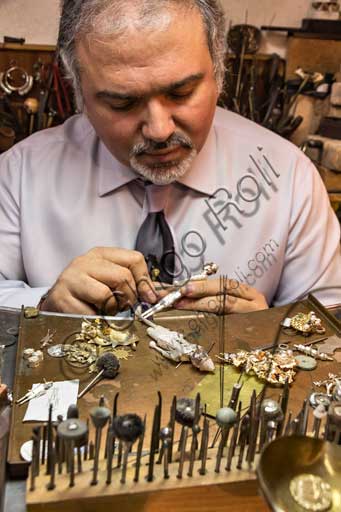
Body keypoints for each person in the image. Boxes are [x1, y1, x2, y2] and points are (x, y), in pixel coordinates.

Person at [0, 0, 340, 316]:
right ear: (78, 91)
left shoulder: (287, 175)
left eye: (181, 93)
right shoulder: (19, 174)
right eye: (123, 103)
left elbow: (329, 331)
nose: (160, 131)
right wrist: (42, 307)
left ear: (219, 72)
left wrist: (265, 331)